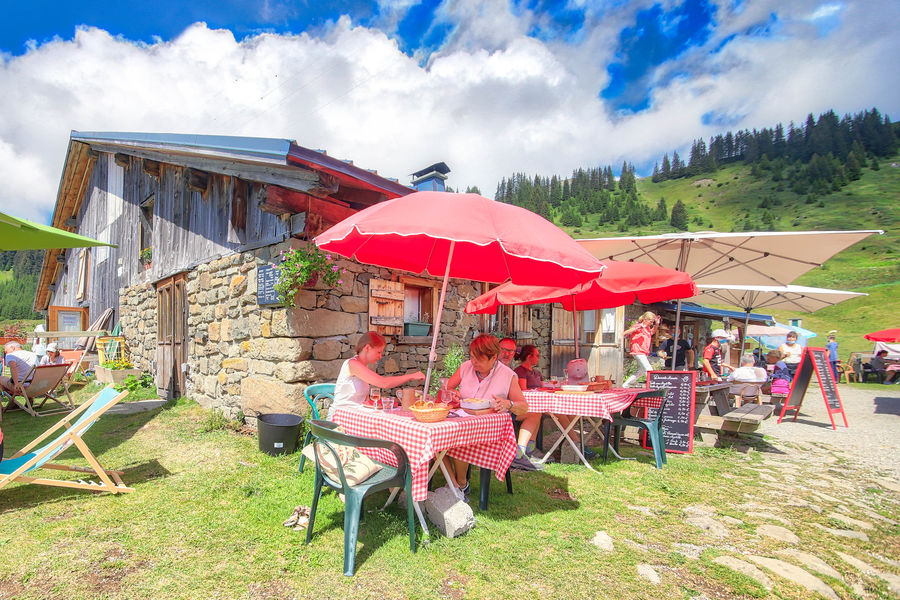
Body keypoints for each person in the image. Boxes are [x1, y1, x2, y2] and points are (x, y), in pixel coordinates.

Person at [445, 334, 540, 496]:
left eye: (479, 359)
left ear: (493, 358)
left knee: (457, 439)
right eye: (472, 357)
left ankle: (459, 483)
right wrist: (452, 393)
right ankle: (456, 486)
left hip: (489, 430)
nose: (473, 362)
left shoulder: (507, 375)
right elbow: (446, 388)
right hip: (462, 420)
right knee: (435, 439)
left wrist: (508, 404)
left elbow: (523, 407)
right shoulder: (466, 367)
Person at [326, 332, 425, 420]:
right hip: (339, 419)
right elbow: (384, 383)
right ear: (367, 348)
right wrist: (411, 376)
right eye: (379, 352)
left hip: (355, 417)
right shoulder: (352, 364)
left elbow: (365, 401)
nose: (380, 356)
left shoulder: (363, 366)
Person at [623, 311, 660, 388]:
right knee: (648, 368)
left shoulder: (647, 328)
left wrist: (657, 324)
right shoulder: (638, 326)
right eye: (651, 321)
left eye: (653, 322)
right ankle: (652, 385)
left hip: (643, 352)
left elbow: (652, 332)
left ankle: (626, 384)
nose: (651, 323)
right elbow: (626, 333)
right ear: (645, 319)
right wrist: (638, 327)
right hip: (638, 351)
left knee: (641, 371)